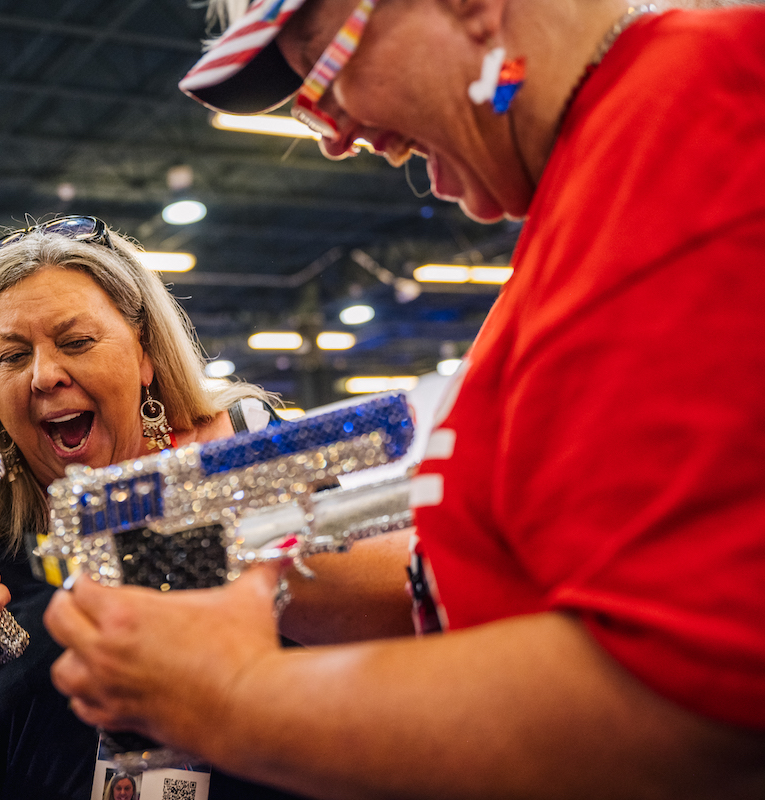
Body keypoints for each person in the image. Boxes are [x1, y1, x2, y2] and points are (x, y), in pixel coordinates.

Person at [42, 0, 765, 798]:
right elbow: (479, 596)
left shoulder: (694, 119)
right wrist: (206, 554)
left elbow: (683, 703)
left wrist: (233, 698)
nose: (332, 131)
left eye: (320, 60)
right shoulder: (602, 184)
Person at [0, 216, 304, 800]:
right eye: (12, 356)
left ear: (145, 354)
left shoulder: (242, 454)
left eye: (76, 342)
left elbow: (396, 609)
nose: (44, 376)